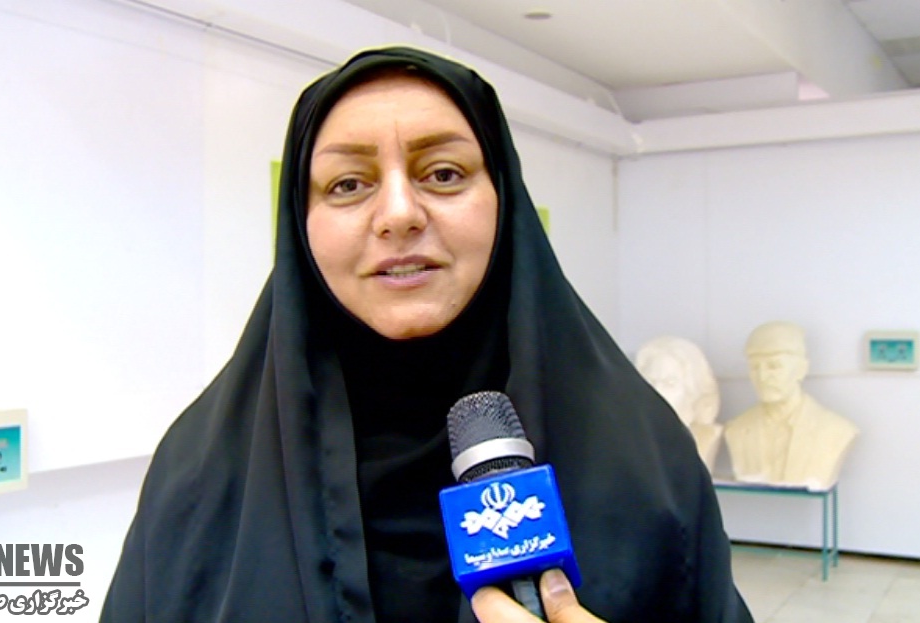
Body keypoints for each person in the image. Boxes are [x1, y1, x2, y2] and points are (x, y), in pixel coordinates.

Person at [101, 46, 752, 622]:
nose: (398, 214)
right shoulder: (200, 474)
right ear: (300, 223)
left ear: (505, 199)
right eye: (347, 184)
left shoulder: (645, 456)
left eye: (443, 173)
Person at [724, 321, 859, 490]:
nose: (762, 377)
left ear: (801, 369)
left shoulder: (836, 430)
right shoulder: (736, 430)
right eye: (755, 367)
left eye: (774, 366)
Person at [635, 336, 724, 472]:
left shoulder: (706, 437)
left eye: (669, 384)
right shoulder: (632, 439)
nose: (657, 391)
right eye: (650, 382)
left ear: (693, 391)